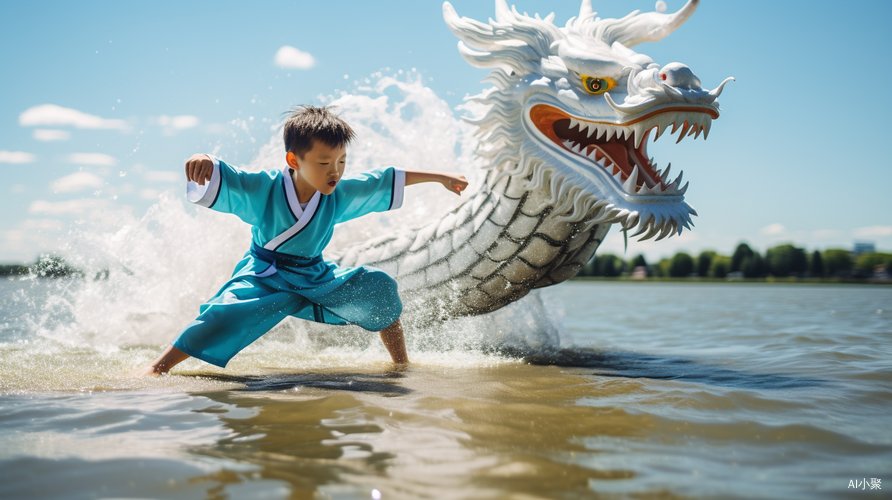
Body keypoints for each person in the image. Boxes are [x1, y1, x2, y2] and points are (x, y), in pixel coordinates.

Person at [134, 105, 468, 376]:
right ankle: (157, 367)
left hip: (315, 274)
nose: (334, 172)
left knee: (380, 287)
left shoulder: (338, 193)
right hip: (265, 273)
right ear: (294, 161)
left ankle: (401, 364)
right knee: (222, 313)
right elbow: (231, 177)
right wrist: (205, 160)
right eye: (324, 163)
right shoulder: (265, 187)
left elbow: (382, 179)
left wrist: (441, 177)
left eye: (341, 162)